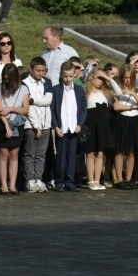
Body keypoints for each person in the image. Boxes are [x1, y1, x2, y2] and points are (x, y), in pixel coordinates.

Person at [50, 61, 87, 192]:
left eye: (70, 76)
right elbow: (53, 110)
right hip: (62, 128)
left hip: (74, 128)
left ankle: (70, 181)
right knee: (60, 156)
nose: (67, 79)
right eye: (65, 76)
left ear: (74, 75)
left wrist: (79, 124)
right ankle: (59, 181)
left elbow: (83, 109)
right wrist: (55, 126)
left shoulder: (79, 90)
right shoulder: (55, 90)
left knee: (72, 156)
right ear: (61, 75)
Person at [0, 64, 30, 195]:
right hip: (2, 122)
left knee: (14, 154)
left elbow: (25, 109)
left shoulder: (23, 89)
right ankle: (4, 185)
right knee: (3, 154)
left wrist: (10, 109)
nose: (7, 81)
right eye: (5, 78)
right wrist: (6, 126)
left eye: (9, 78)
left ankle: (13, 185)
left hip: (17, 123)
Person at [82, 69, 120, 190]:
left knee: (100, 153)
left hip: (103, 125)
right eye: (98, 78)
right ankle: (91, 181)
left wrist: (108, 79)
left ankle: (98, 180)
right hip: (91, 124)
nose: (100, 81)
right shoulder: (86, 91)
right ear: (91, 78)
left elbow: (119, 92)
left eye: (102, 79)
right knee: (91, 153)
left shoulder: (104, 92)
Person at [111, 65, 138, 190]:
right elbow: (116, 107)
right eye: (125, 78)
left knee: (131, 151)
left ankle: (129, 178)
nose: (127, 80)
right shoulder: (117, 90)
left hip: (134, 120)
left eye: (130, 78)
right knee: (119, 150)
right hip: (122, 120)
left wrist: (132, 93)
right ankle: (120, 179)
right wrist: (132, 107)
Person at [22, 57, 53, 193]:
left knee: (41, 154)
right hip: (31, 124)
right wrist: (35, 125)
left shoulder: (47, 82)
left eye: (43, 70)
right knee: (30, 154)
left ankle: (38, 178)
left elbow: (48, 100)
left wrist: (34, 100)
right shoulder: (24, 84)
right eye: (38, 70)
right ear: (31, 69)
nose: (41, 73)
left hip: (45, 122)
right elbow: (27, 105)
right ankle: (29, 179)